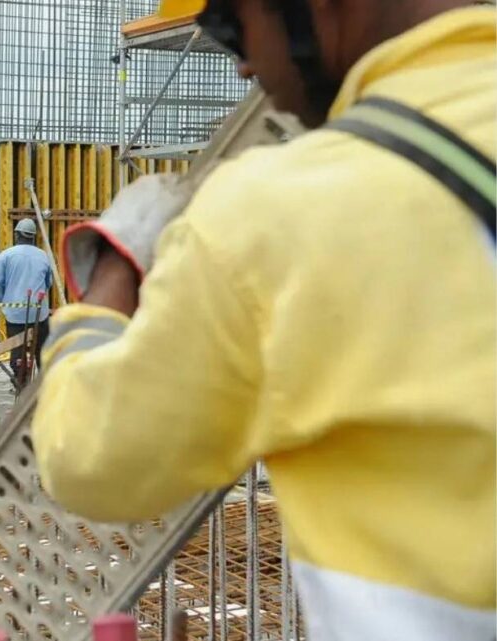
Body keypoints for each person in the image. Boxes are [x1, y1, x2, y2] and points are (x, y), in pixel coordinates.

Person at [31, 2, 494, 640]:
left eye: (232, 24)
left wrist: (110, 272)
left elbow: (88, 457)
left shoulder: (270, 214)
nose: (245, 62)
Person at [0, 218, 52, 384]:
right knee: (43, 354)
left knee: (18, 353)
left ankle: (21, 380)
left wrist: (3, 302)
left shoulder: (6, 255)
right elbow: (49, 283)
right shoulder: (43, 256)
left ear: (17, 235)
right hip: (40, 314)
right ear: (33, 237)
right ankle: (44, 387)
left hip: (15, 315)